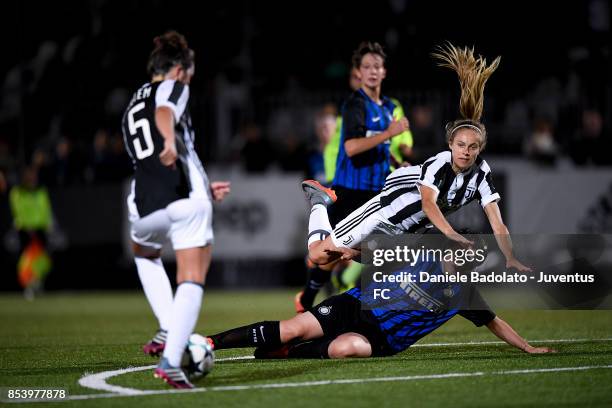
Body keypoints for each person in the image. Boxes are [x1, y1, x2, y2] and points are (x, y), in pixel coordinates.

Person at [302, 42, 531, 274]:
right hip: (385, 209)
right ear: (450, 145)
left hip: (411, 227)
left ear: (479, 149)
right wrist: (451, 233)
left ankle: (356, 255)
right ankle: (319, 201)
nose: (465, 151)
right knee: (319, 255)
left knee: (390, 263)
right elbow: (428, 204)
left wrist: (510, 256)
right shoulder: (441, 163)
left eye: (472, 147)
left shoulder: (482, 175)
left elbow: (498, 223)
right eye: (460, 145)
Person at [207, 234, 555, 359]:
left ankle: (287, 354)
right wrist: (349, 252)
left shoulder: (465, 295)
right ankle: (210, 343)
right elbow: (375, 253)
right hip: (355, 304)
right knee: (291, 327)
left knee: (348, 349)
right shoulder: (424, 255)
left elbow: (495, 323)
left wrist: (527, 347)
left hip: (383, 338)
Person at [121, 31, 230, 389]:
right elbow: (166, 112)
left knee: (145, 254)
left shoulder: (131, 106)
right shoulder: (173, 87)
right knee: (192, 277)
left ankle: (169, 325)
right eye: (191, 70)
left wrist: (201, 181)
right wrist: (169, 140)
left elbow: (156, 151)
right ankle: (171, 361)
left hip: (142, 205)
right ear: (180, 70)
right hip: (183, 200)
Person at [296, 42, 409, 312]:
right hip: (351, 192)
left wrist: (397, 162)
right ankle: (307, 302)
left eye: (377, 66)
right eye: (366, 66)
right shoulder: (355, 105)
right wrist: (390, 134)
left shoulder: (387, 107)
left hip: (377, 192)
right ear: (359, 72)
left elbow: (378, 146)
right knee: (327, 254)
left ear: (384, 72)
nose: (372, 71)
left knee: (381, 251)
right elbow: (352, 147)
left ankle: (361, 305)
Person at [9, 166, 53, 299]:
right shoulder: (17, 192)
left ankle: (37, 283)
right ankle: (28, 286)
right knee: (27, 259)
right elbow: (18, 210)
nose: (32, 177)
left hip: (41, 229)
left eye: (34, 174)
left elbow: (46, 209)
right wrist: (27, 226)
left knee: (43, 259)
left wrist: (47, 224)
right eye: (30, 174)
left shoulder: (41, 190)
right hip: (25, 230)